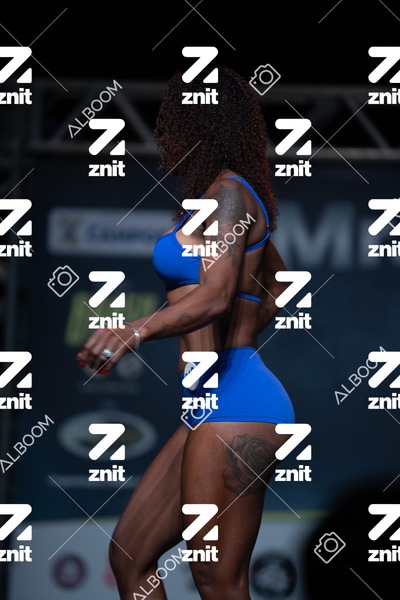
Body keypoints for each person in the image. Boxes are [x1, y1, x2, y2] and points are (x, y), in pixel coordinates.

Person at [77, 66, 295, 600]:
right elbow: (279, 283)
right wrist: (240, 317)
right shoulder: (213, 201)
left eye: (171, 121)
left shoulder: (230, 196)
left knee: (217, 581)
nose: (163, 136)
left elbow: (216, 295)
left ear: (199, 124)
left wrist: (135, 330)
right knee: (130, 558)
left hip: (239, 399)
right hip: (206, 403)